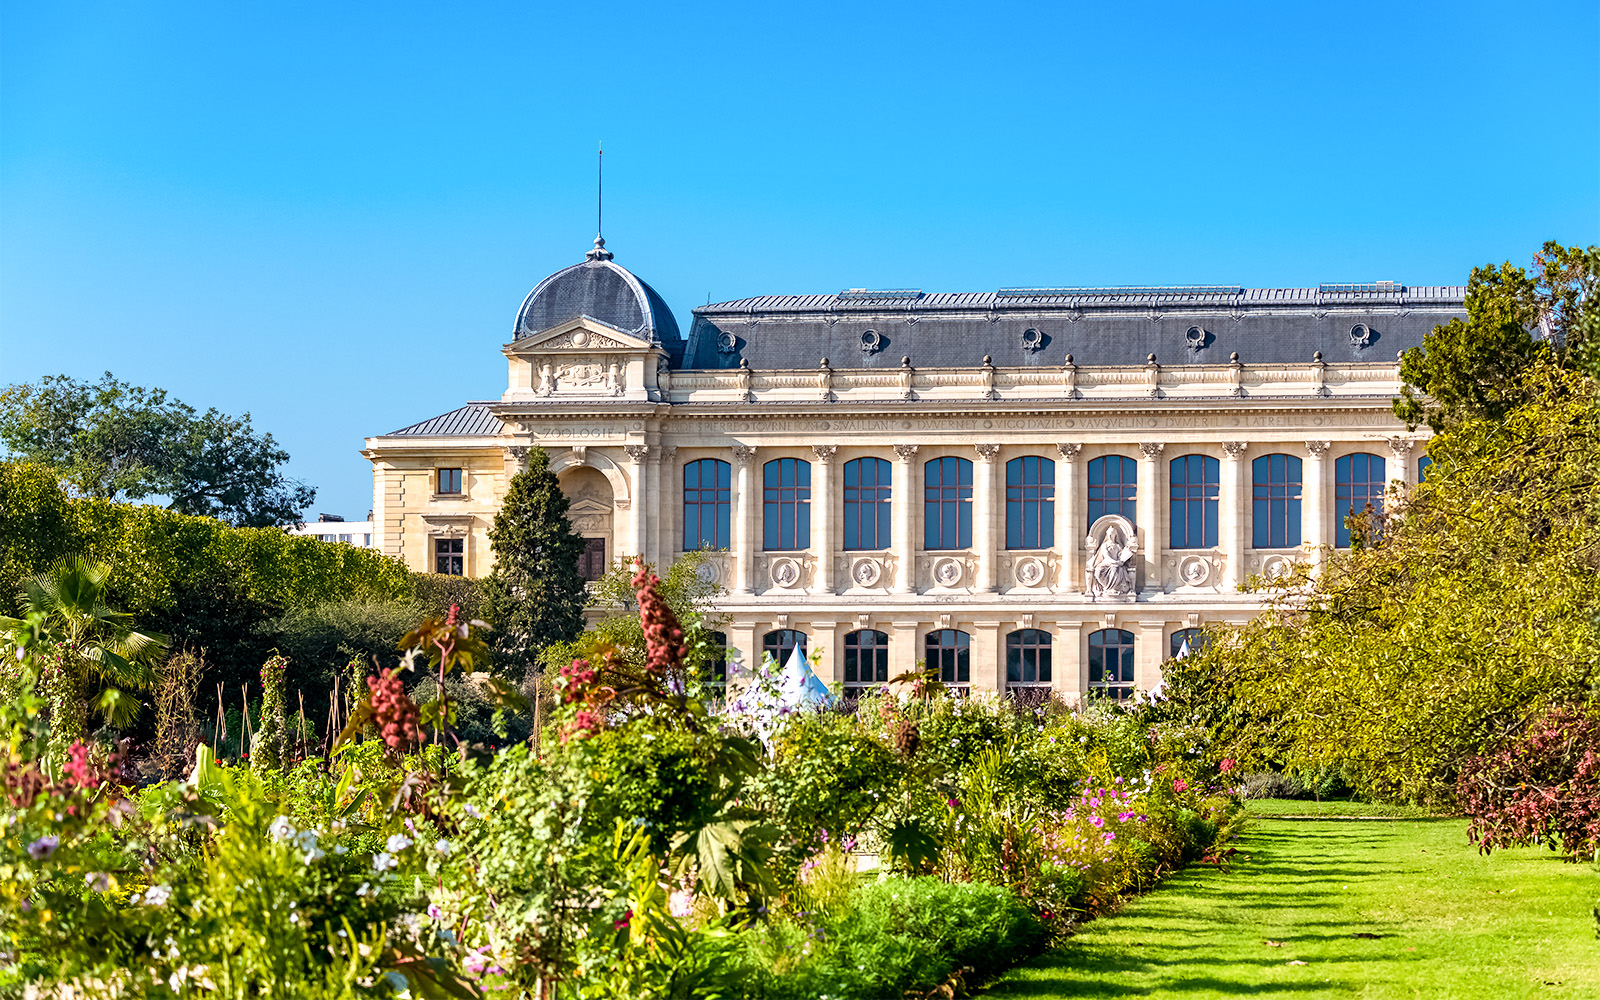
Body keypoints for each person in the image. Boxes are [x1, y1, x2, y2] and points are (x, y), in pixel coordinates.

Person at [1088, 525, 1136, 597]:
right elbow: (1106, 556)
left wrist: (1126, 554)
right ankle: (1108, 588)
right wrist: (1115, 562)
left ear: (1115, 534)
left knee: (1116, 568)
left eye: (1112, 533)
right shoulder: (1105, 545)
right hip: (1106, 563)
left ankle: (1114, 588)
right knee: (1099, 570)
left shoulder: (1118, 546)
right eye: (1109, 533)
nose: (1110, 535)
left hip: (1117, 564)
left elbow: (1121, 555)